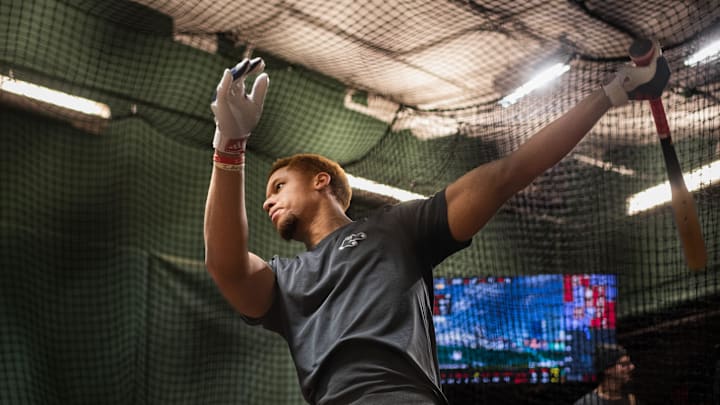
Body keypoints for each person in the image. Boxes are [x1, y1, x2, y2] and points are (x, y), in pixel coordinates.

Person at [204, 45, 668, 404]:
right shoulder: (285, 280)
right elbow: (225, 263)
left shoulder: (397, 229)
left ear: (321, 181)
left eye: (280, 185)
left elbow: (509, 173)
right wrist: (229, 146)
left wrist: (616, 89)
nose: (268, 200)